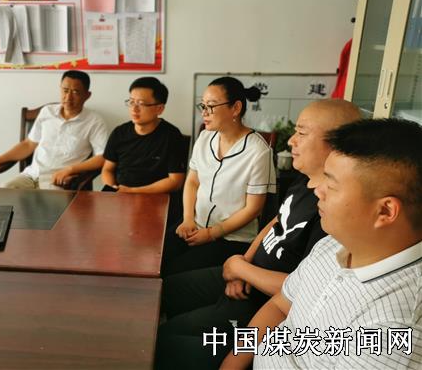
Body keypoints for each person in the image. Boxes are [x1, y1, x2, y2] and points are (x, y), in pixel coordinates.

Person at [155, 99, 361, 369]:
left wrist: (241, 269)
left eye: (301, 133)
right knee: (163, 291)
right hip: (248, 276)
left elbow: (300, 292)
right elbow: (277, 221)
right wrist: (244, 262)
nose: (291, 141)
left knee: (163, 344)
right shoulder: (305, 182)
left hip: (260, 302)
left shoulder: (332, 214)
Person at [221, 118, 422, 369]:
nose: (318, 190)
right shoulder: (333, 244)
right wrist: (231, 364)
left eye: (332, 185)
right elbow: (280, 306)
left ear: (385, 211)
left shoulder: (394, 330)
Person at [162, 76, 275, 277]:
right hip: (195, 226)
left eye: (211, 106)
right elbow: (192, 182)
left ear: (235, 108)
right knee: (155, 257)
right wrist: (187, 219)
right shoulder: (205, 137)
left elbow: (253, 208)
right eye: (203, 105)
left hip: (231, 239)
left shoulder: (258, 151)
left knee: (172, 272)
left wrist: (212, 233)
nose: (204, 112)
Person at [0, 70, 108, 189]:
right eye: (65, 90)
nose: (68, 97)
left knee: (48, 205)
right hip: (31, 176)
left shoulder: (94, 121)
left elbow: (102, 157)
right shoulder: (47, 112)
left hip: (60, 182)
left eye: (75, 92)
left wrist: (70, 170)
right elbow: (28, 144)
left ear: (87, 95)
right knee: (2, 193)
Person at [101, 77, 187, 194]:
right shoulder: (119, 132)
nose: (134, 109)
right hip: (120, 195)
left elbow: (175, 181)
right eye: (131, 102)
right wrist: (112, 189)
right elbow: (107, 169)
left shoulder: (172, 136)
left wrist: (132, 191)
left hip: (155, 198)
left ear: (159, 109)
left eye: (141, 103)